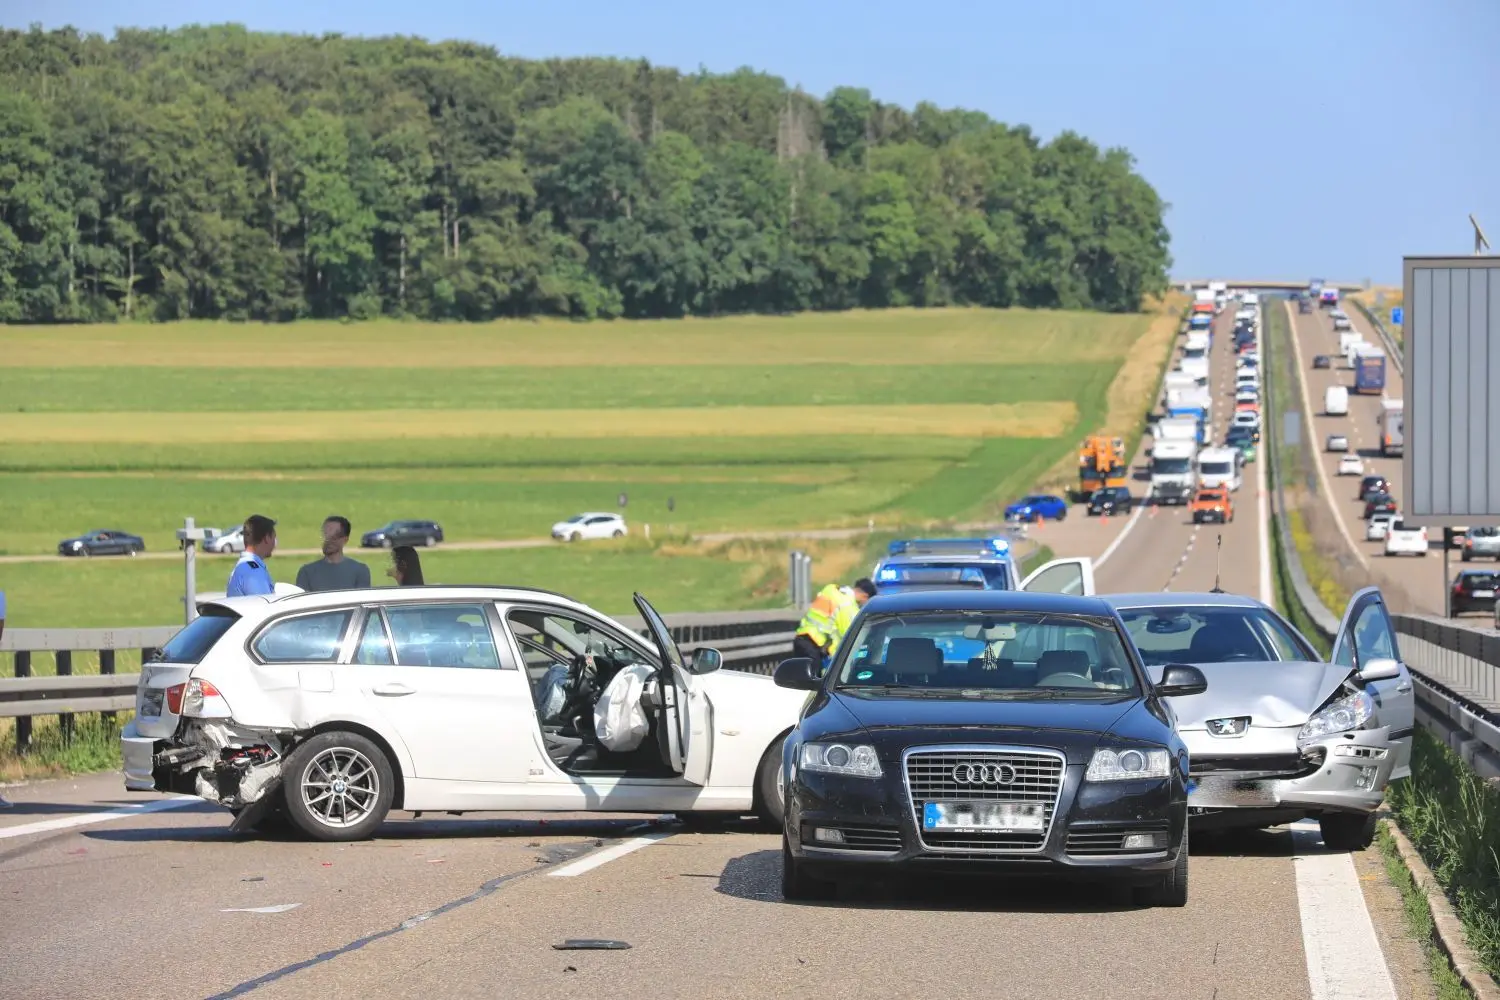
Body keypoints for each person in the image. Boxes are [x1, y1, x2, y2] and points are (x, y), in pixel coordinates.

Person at [792, 578, 876, 669]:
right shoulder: (847, 606)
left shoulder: (832, 590)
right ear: (865, 596)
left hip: (802, 638)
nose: (863, 606)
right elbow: (847, 637)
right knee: (813, 679)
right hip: (812, 644)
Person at [295, 516, 372, 592]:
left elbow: (360, 601)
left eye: (334, 537)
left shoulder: (360, 571)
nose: (328, 541)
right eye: (325, 535)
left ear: (345, 540)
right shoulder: (307, 572)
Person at [226, 514, 277, 597]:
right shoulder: (253, 573)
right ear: (267, 538)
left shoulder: (246, 567)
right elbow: (265, 607)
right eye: (274, 537)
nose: (275, 543)